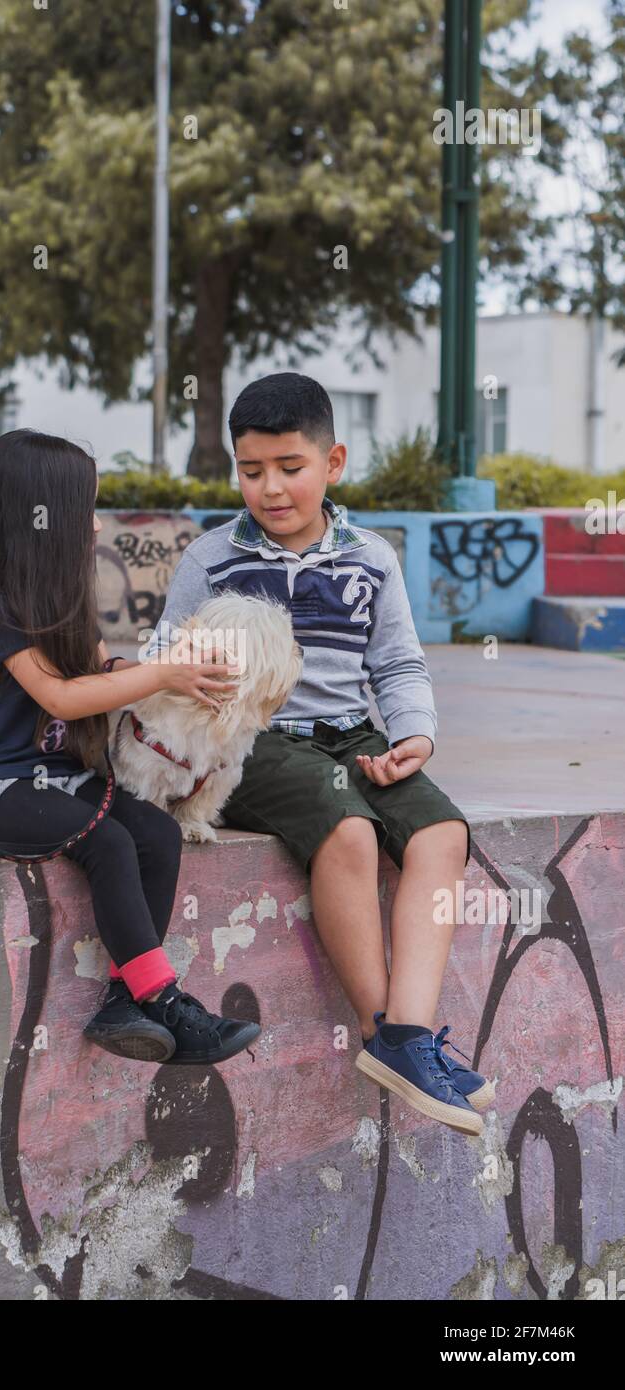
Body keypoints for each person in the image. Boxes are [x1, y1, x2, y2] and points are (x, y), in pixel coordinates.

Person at [143, 374, 493, 1135]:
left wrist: (414, 738)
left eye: (289, 467)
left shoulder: (371, 556)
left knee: (442, 834)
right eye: (251, 469)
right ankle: (383, 1032)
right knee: (351, 831)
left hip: (355, 735)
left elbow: (397, 666)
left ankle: (408, 1036)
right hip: (253, 742)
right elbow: (164, 654)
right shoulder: (213, 556)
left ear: (333, 462)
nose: (269, 488)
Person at [0, 428, 261, 1067]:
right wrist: (161, 675)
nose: (98, 527)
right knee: (105, 841)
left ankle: (123, 1004)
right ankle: (163, 999)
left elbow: (105, 676)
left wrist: (176, 682)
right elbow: (62, 698)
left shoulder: (63, 605)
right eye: (87, 512)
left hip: (64, 780)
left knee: (156, 835)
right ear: (39, 521)